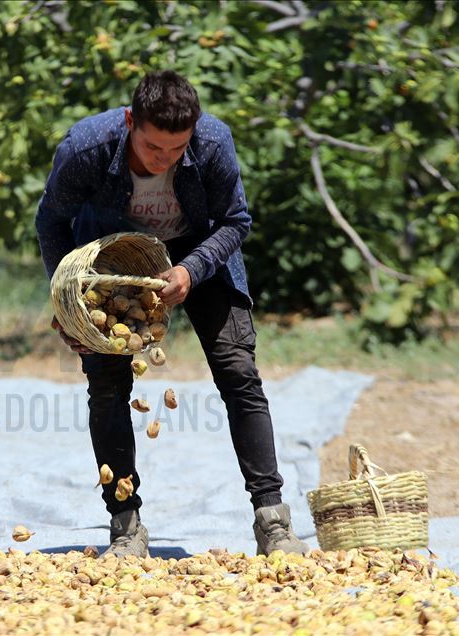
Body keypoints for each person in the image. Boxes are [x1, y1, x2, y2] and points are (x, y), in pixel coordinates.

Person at [35, 70, 308, 559]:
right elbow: (51, 220)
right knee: (108, 385)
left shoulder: (213, 142)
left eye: (176, 149)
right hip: (112, 259)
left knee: (239, 372)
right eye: (153, 147)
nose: (164, 158)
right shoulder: (86, 147)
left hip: (198, 252)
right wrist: (66, 301)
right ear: (129, 122)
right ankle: (125, 525)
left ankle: (273, 522)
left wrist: (193, 269)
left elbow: (235, 221)